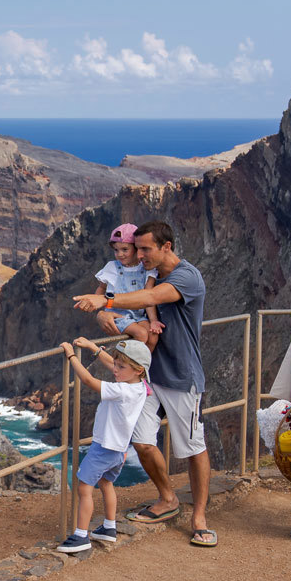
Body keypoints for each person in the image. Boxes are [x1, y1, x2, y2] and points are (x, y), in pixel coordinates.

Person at [72, 221, 216, 548]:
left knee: (193, 448)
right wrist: (100, 314)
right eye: (136, 249)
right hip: (147, 377)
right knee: (141, 441)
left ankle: (200, 518)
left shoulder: (186, 277)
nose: (139, 255)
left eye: (146, 249)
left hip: (181, 376)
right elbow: (130, 298)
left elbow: (149, 297)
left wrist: (105, 303)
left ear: (166, 246)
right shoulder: (142, 272)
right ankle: (168, 498)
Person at [54, 336, 152, 554]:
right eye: (116, 364)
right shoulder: (139, 386)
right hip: (120, 448)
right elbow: (113, 364)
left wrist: (71, 355)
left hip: (104, 447)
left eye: (121, 367)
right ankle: (109, 528)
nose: (115, 370)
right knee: (106, 484)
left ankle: (81, 535)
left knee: (84, 487)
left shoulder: (122, 391)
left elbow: (88, 380)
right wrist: (92, 348)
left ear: (137, 370)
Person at [91, 224, 163, 345]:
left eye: (125, 249)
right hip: (118, 315)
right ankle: (132, 363)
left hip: (139, 316)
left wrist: (154, 321)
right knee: (141, 334)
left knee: (153, 335)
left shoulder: (146, 268)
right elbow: (102, 288)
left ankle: (143, 364)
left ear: (136, 248)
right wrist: (95, 305)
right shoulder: (112, 268)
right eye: (116, 250)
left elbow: (149, 298)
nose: (119, 254)